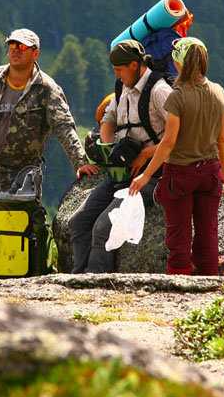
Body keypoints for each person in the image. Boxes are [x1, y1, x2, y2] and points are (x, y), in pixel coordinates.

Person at [0, 28, 99, 256]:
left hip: (23, 174)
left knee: (21, 224)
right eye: (12, 46)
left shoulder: (47, 89)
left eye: (22, 47)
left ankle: (20, 269)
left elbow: (64, 126)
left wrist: (80, 162)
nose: (15, 51)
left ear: (35, 53)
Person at [129, 37, 224, 276]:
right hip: (210, 171)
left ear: (179, 63)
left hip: (181, 174)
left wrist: (146, 175)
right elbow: (222, 139)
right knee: (208, 233)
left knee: (179, 236)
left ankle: (179, 283)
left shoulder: (177, 97)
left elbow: (168, 143)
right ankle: (209, 285)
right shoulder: (219, 92)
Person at [68, 40, 171, 273]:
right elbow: (109, 119)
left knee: (104, 226)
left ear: (134, 65)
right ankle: (77, 278)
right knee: (79, 222)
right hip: (122, 172)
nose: (116, 75)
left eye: (119, 69)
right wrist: (108, 145)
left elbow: (180, 136)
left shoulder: (160, 91)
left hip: (152, 174)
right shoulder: (122, 87)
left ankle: (96, 282)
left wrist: (146, 153)